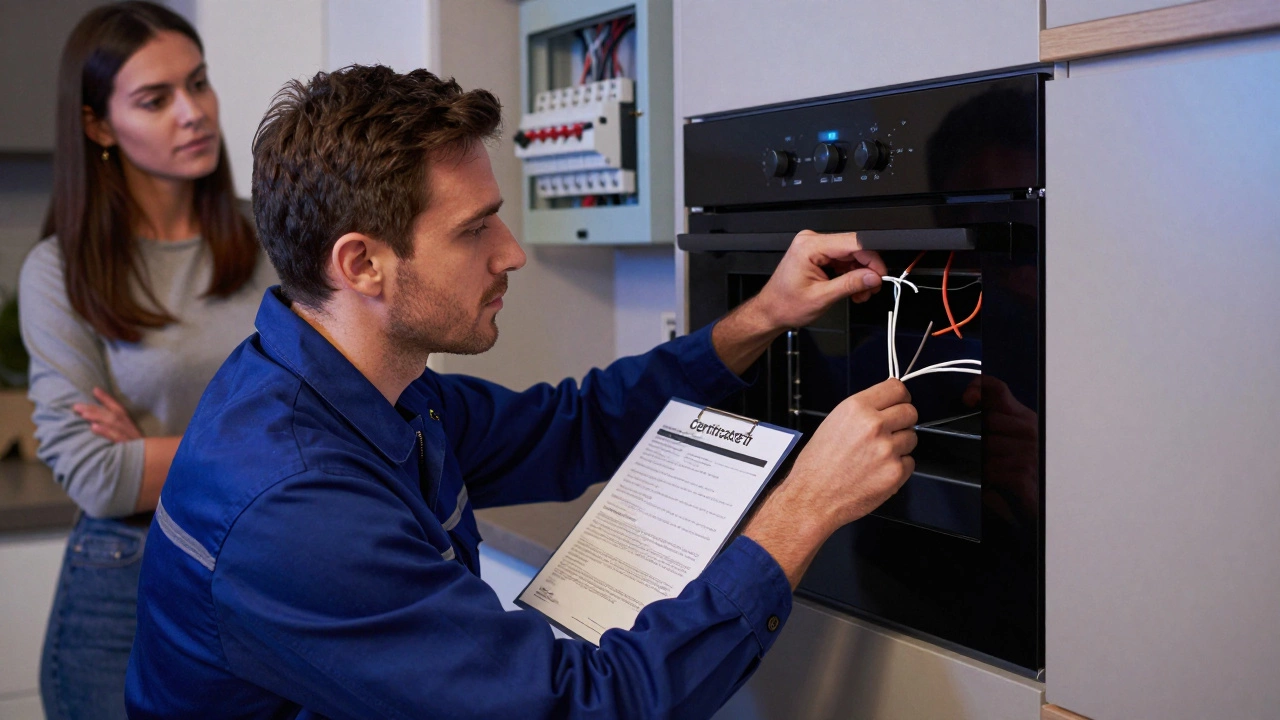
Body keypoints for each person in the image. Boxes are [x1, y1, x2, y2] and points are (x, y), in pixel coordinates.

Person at [124, 65, 917, 720]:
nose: (512, 254)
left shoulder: (363, 390)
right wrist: (804, 507)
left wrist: (762, 317)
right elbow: (584, 710)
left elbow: (574, 425)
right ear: (362, 264)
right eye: (475, 230)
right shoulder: (297, 509)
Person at [18, 3, 275, 718]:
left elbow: (338, 413)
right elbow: (101, 478)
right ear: (99, 125)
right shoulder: (59, 272)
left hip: (266, 570)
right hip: (123, 583)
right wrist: (270, 445)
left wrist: (159, 454)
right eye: (155, 100)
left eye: (199, 83)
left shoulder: (273, 240)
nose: (192, 113)